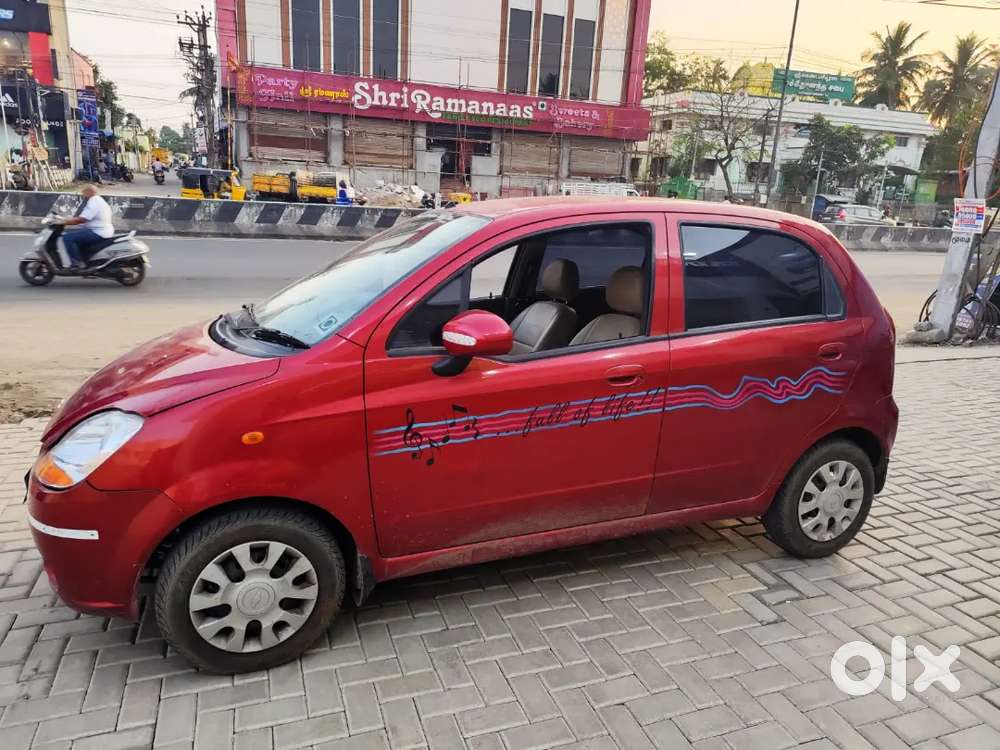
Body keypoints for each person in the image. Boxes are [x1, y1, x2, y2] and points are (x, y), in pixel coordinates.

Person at [60, 185, 115, 269]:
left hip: (98, 232)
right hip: (101, 230)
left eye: (84, 193)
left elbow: (82, 219)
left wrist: (64, 222)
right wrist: (67, 220)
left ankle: (77, 263)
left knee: (67, 237)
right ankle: (85, 260)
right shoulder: (99, 200)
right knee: (76, 235)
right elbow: (84, 219)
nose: (83, 196)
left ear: (89, 192)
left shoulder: (94, 201)